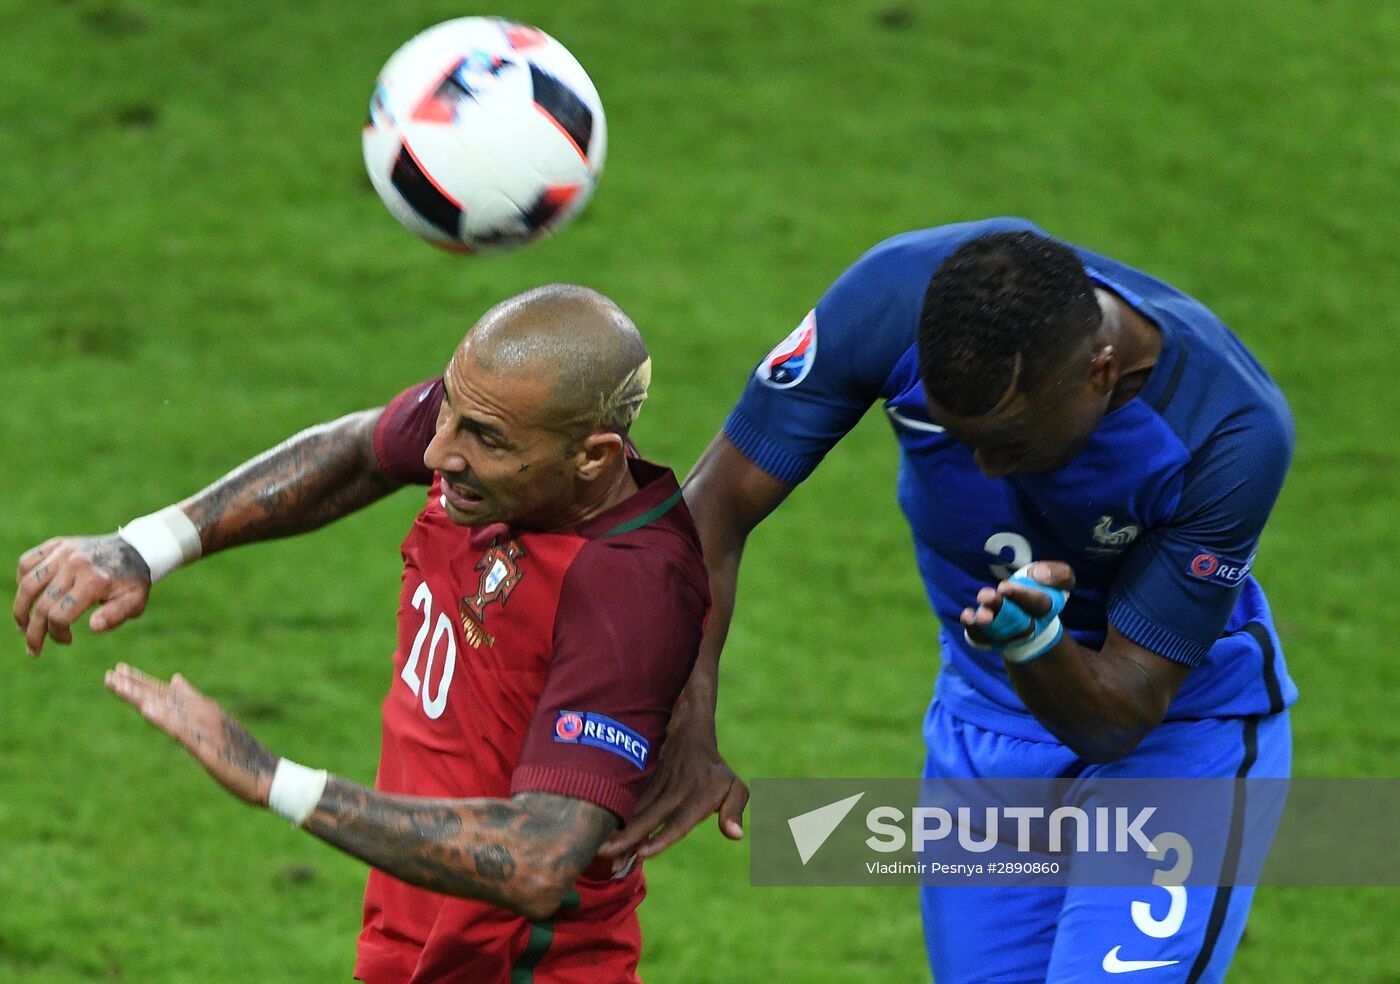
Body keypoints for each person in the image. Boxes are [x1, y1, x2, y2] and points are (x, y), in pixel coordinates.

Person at [600, 219, 1296, 983]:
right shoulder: (894, 296)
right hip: (982, 731)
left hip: (1176, 745)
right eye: (957, 435)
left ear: (1100, 374)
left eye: (1010, 442)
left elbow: (1120, 713)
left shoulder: (1227, 429)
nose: (985, 471)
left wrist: (1034, 644)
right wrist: (688, 721)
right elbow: (711, 511)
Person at [14, 284, 710, 984]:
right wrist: (146, 547)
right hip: (411, 943)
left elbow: (539, 858)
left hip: (517, 968)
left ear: (593, 457)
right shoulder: (499, 438)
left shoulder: (630, 591)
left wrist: (273, 779)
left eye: (482, 438)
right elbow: (357, 451)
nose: (439, 453)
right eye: (447, 411)